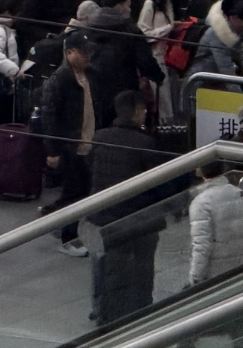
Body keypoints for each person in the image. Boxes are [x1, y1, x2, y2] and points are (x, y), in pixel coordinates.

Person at [90, 90, 168, 326]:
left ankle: (106, 313)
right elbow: (158, 183)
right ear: (136, 113)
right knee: (143, 267)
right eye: (143, 110)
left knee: (111, 265)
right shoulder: (145, 143)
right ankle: (141, 311)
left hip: (106, 216)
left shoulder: (99, 137)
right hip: (139, 218)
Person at [37, 30, 100, 255]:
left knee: (80, 190)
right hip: (70, 146)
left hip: (89, 142)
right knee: (74, 192)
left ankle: (59, 219)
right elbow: (49, 116)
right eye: (83, 53)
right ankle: (68, 237)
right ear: (69, 52)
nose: (88, 57)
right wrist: (52, 150)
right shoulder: (59, 80)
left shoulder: (90, 75)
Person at [187, 160, 243, 286]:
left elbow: (202, 244)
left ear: (200, 171)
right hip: (242, 265)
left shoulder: (201, 202)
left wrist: (195, 277)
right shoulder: (240, 193)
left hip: (214, 272)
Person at [190, 0, 243, 79]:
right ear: (233, 18)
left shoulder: (232, 31)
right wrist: (238, 92)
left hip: (215, 79)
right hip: (202, 82)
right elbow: (227, 71)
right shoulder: (217, 34)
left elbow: (240, 53)